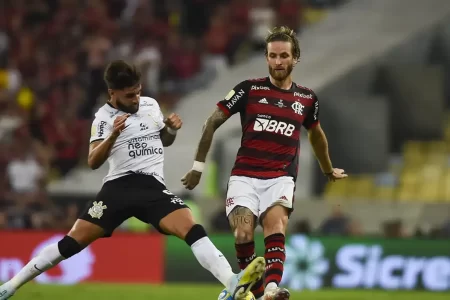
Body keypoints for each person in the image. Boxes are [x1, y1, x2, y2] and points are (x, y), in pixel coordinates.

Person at [0, 60, 265, 300]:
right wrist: (113, 136)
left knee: (192, 228)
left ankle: (231, 283)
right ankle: (10, 286)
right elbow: (93, 162)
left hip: (152, 187)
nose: (136, 98)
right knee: (71, 243)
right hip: (118, 187)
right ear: (112, 94)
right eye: (129, 95)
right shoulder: (103, 118)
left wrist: (170, 129)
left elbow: (164, 141)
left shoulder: (150, 105)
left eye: (138, 91)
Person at [181, 26, 348, 300]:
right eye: (273, 56)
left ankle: (271, 288)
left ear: (295, 59)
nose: (278, 61)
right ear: (266, 57)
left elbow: (317, 136)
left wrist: (327, 168)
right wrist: (198, 166)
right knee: (243, 233)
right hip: (244, 177)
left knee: (276, 226)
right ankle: (258, 295)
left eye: (284, 56)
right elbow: (211, 122)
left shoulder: (306, 99)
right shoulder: (248, 89)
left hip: (280, 177)